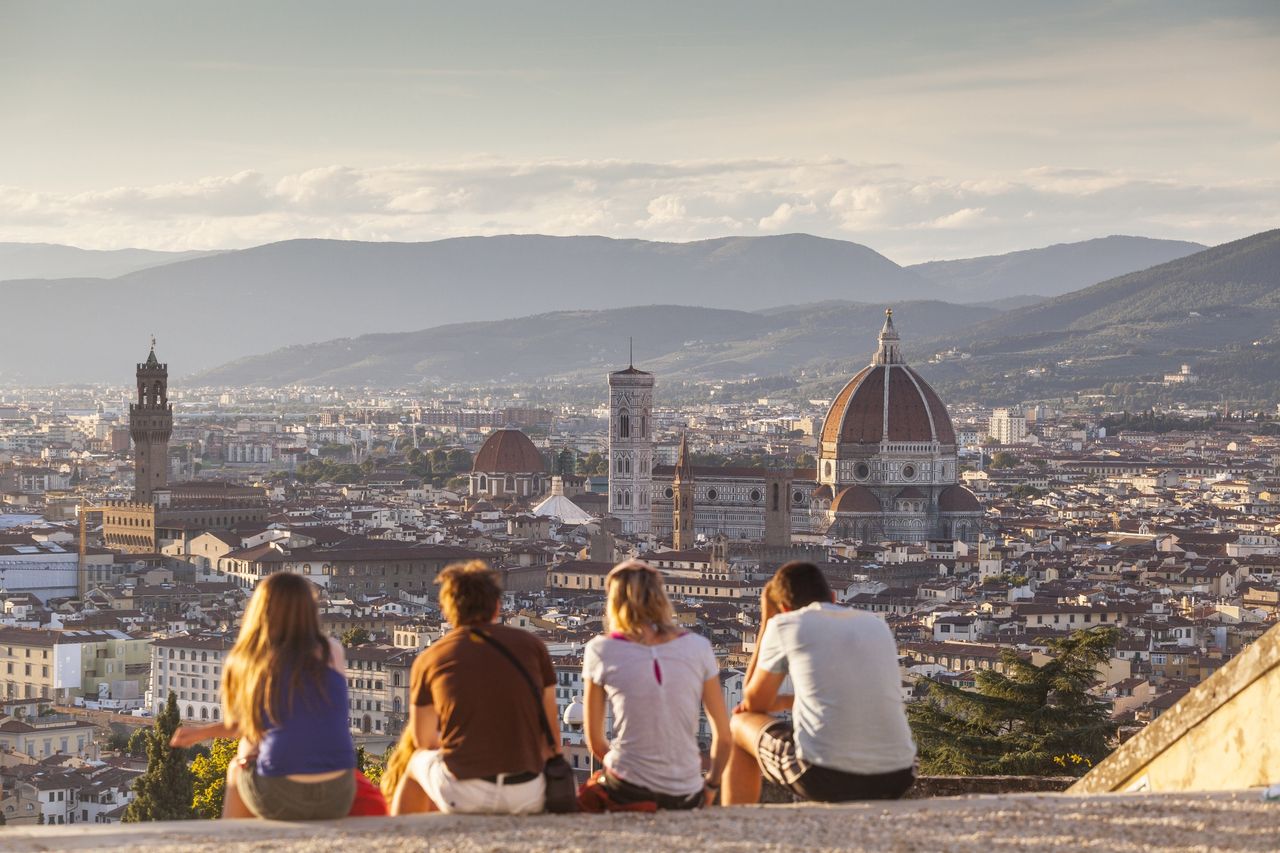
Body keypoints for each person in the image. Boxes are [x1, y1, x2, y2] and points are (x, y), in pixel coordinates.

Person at [722, 561, 916, 804]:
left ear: (783, 608)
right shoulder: (876, 625)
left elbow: (752, 703)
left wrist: (766, 622)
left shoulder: (785, 623)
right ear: (833, 597)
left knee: (740, 723)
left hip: (823, 777)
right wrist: (789, 701)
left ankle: (735, 825)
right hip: (899, 774)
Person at [170, 571, 357, 820]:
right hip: (339, 792)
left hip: (281, 792)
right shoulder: (331, 650)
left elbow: (243, 727)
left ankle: (233, 846)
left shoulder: (251, 659)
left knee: (238, 764)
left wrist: (200, 733)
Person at [391, 560, 560, 815]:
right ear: (497, 606)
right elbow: (552, 738)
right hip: (527, 793)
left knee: (415, 764)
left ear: (447, 609)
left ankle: (401, 840)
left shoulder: (430, 657)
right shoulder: (532, 646)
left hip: (464, 793)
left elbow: (424, 740)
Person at [578, 560, 730, 811]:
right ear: (661, 598)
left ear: (613, 602)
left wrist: (629, 768)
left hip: (628, 789)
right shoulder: (699, 646)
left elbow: (595, 741)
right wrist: (710, 786)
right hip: (686, 792)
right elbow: (724, 738)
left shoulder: (601, 649)